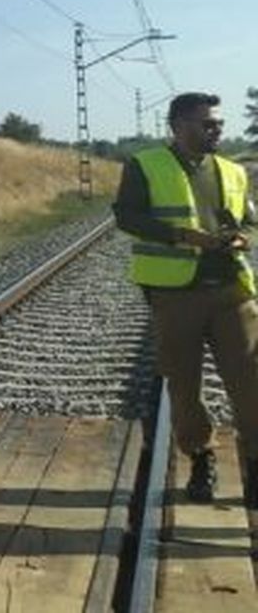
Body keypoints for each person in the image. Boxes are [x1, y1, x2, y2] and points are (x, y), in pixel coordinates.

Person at [114, 92, 258, 505]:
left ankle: (255, 462)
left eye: (219, 124)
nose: (217, 130)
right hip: (176, 295)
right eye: (207, 123)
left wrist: (244, 237)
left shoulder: (233, 170)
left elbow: (251, 220)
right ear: (178, 125)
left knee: (250, 379)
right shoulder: (145, 165)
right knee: (184, 384)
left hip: (232, 290)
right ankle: (201, 457)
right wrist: (181, 236)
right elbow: (127, 216)